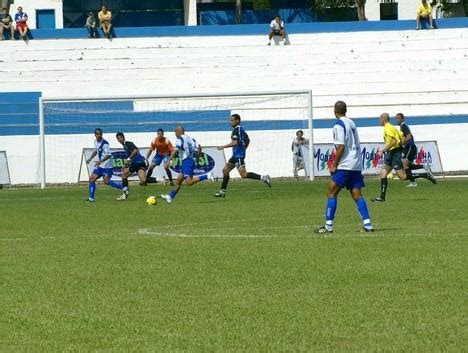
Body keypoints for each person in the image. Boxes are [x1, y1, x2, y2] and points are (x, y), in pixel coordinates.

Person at [314, 101, 373, 234]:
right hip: (356, 163)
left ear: (334, 112)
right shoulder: (351, 123)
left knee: (331, 192)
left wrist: (334, 165)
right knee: (356, 194)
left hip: (345, 164)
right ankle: (368, 224)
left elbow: (340, 146)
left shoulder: (338, 125)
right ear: (346, 110)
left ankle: (328, 226)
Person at [371, 113, 436, 202]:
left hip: (394, 154)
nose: (379, 121)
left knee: (403, 177)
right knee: (383, 174)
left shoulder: (388, 128)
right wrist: (400, 144)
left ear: (383, 119)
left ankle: (424, 175)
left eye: (379, 119)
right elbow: (401, 136)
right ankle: (382, 197)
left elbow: (393, 141)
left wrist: (383, 150)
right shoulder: (393, 127)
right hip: (391, 153)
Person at [214, 114, 271, 198]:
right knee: (225, 171)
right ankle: (222, 191)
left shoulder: (237, 130)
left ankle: (263, 177)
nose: (230, 122)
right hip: (235, 156)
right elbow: (248, 140)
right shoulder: (241, 130)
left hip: (238, 156)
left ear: (237, 121)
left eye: (232, 120)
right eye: (230, 120)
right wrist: (244, 149)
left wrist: (223, 146)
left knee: (243, 175)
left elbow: (235, 142)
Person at [161, 126, 214, 204]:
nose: (175, 134)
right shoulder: (191, 139)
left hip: (186, 161)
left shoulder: (180, 139)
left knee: (189, 182)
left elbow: (175, 151)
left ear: (179, 131)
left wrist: (168, 161)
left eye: (175, 132)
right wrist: (198, 158)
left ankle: (208, 175)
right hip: (189, 161)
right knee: (178, 181)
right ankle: (170, 197)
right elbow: (199, 147)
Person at [85, 128, 127, 202]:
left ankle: (123, 188)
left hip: (107, 166)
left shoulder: (105, 143)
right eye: (97, 134)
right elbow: (96, 150)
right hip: (101, 166)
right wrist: (90, 158)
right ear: (95, 135)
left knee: (106, 181)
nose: (99, 135)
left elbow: (108, 155)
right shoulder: (95, 141)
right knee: (91, 179)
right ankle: (91, 198)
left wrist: (100, 161)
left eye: (100, 134)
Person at [395, 113, 436, 188]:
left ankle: (420, 177)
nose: (396, 120)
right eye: (396, 118)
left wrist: (401, 142)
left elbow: (409, 137)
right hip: (408, 147)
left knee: (404, 164)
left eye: (398, 118)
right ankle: (415, 179)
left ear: (402, 119)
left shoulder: (404, 126)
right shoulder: (402, 127)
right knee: (407, 166)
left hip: (410, 147)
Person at [115, 132, 147, 200]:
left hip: (137, 162)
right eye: (118, 138)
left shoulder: (127, 143)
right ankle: (159, 181)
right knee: (143, 180)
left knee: (123, 175)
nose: (120, 139)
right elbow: (132, 155)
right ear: (117, 140)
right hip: (140, 162)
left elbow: (135, 150)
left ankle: (125, 194)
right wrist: (125, 165)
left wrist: (129, 159)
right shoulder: (124, 145)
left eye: (121, 137)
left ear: (124, 137)